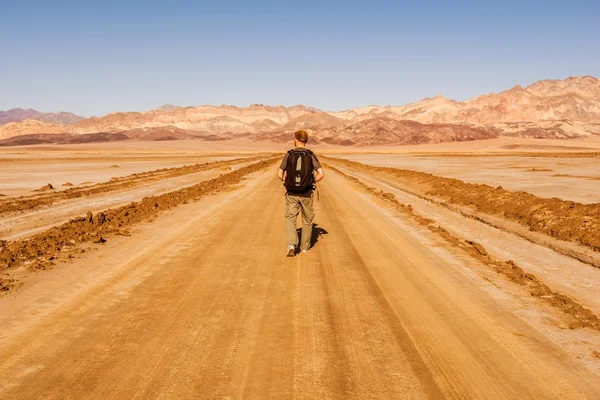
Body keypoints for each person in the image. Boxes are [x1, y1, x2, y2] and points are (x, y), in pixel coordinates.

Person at [277, 130, 324, 257]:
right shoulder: (310, 155)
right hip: (307, 192)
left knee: (291, 219)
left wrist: (287, 182)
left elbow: (279, 174)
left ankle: (291, 245)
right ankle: (305, 247)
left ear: (296, 139)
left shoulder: (289, 154)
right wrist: (311, 182)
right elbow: (321, 174)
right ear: (306, 141)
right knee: (307, 220)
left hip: (291, 192)